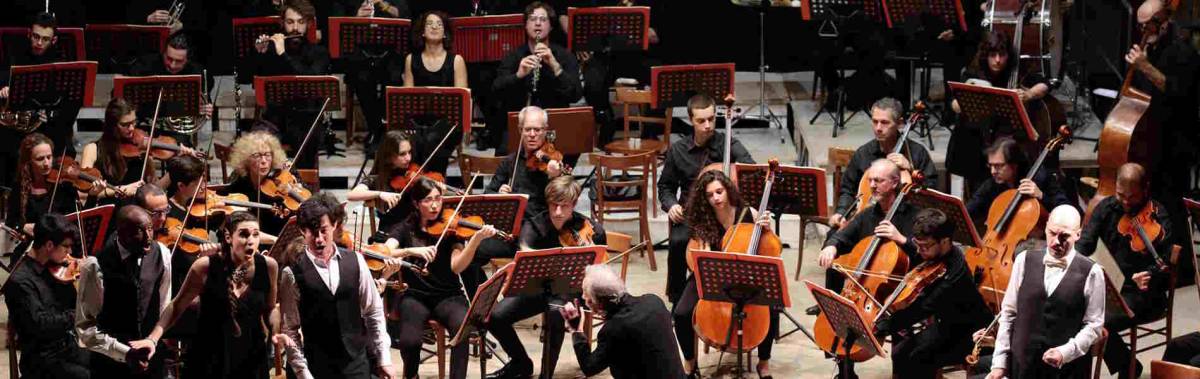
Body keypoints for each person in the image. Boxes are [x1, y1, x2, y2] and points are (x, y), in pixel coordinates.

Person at [129, 211, 279, 379]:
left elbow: (270, 309)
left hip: (251, 355)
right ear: (229, 237)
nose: (251, 241)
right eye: (243, 235)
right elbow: (176, 306)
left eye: (256, 235)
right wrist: (152, 339)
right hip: (210, 356)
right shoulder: (205, 267)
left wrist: (276, 331)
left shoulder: (269, 266)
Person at [486, 175, 606, 379]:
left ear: (574, 204)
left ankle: (547, 375)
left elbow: (598, 269)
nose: (558, 212)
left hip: (570, 290)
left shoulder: (591, 229)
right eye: (553, 205)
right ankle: (521, 363)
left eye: (564, 206)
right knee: (495, 316)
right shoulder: (533, 227)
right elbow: (524, 254)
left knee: (555, 312)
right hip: (536, 289)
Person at [385, 177, 496, 379]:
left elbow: (457, 267)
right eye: (428, 200)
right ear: (416, 204)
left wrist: (476, 240)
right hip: (415, 296)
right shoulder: (403, 228)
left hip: (448, 295)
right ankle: (411, 376)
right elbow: (385, 251)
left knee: (461, 332)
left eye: (438, 198)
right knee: (410, 341)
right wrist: (412, 250)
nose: (435, 204)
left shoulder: (452, 229)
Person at [276, 198, 395, 379]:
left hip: (355, 363)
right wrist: (303, 374)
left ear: (334, 225)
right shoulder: (291, 273)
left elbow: (373, 312)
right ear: (302, 231)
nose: (319, 240)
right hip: (315, 366)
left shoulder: (356, 261)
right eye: (312, 233)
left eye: (324, 231)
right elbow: (290, 329)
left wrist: (383, 358)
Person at [672, 169, 774, 379]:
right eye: (710, 195)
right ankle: (690, 364)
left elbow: (768, 246)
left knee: (772, 309)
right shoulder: (703, 218)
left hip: (746, 275)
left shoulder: (748, 213)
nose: (716, 198)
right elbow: (701, 254)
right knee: (681, 313)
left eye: (719, 191)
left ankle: (763, 364)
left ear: (728, 190)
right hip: (711, 275)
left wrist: (766, 228)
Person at [985, 205, 1106, 379]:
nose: (1056, 241)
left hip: (1066, 370)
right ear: (1046, 226)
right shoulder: (1023, 260)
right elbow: (1009, 314)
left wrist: (1065, 352)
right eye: (1052, 233)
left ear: (1078, 234)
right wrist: (1000, 364)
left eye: (1064, 236)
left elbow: (1094, 326)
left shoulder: (1093, 272)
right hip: (1022, 365)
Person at [657, 93, 754, 305]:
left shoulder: (728, 144)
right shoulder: (679, 150)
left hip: (722, 213)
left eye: (712, 119)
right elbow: (665, 186)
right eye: (701, 121)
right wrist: (671, 204)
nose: (708, 125)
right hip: (691, 214)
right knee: (678, 242)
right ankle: (677, 299)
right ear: (691, 120)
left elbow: (751, 171)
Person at [1126, 0, 1200, 277]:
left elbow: (1177, 92)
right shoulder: (1150, 49)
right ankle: (1152, 263)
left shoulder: (1183, 52)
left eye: (1149, 25)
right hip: (1150, 140)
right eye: (1140, 26)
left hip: (1177, 143)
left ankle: (1180, 273)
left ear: (1164, 21)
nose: (1144, 32)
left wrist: (1143, 67)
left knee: (1171, 207)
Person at [1076, 163, 1171, 378]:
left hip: (1143, 295)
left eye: (1132, 196)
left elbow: (1166, 263)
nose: (1126, 202)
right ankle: (1127, 364)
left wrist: (1149, 274)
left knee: (1095, 320)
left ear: (1145, 189)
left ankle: (1127, 368)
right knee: (1073, 310)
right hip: (1107, 287)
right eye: (1121, 195)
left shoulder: (1159, 216)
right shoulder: (1106, 208)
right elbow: (1085, 243)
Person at [873, 209, 991, 378]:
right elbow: (919, 251)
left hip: (969, 332)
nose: (919, 251)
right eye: (917, 244)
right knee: (899, 353)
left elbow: (923, 307)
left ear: (945, 241)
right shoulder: (936, 252)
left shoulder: (955, 275)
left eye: (925, 246)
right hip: (947, 323)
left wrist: (883, 326)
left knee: (919, 357)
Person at [948, 30, 1054, 190]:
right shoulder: (973, 71)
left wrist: (1029, 94)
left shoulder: (1017, 68)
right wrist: (967, 99)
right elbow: (954, 104)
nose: (997, 60)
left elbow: (1045, 84)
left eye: (1002, 55)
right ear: (985, 55)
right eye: (992, 55)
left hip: (1005, 134)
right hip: (977, 134)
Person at [76, 205, 171, 378]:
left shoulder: (163, 254)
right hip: (110, 364)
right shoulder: (95, 265)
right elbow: (86, 328)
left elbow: (164, 306)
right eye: (139, 232)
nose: (148, 238)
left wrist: (154, 340)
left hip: (152, 358)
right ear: (120, 233)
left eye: (150, 229)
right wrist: (125, 353)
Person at [557, 264, 686, 379]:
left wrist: (577, 331)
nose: (584, 298)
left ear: (599, 303)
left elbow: (589, 367)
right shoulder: (654, 301)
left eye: (586, 296)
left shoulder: (613, 330)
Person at [245, 0, 332, 169]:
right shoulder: (272, 50)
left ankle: (305, 187)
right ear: (282, 23)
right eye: (290, 22)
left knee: (308, 140)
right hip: (276, 117)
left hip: (306, 117)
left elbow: (309, 79)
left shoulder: (319, 52)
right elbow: (254, 81)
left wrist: (283, 54)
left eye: (300, 22)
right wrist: (260, 55)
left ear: (308, 24)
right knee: (257, 140)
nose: (295, 28)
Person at [829, 97, 936, 230]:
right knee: (833, 237)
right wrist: (841, 212)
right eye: (875, 122)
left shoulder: (917, 153)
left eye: (885, 123)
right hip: (866, 218)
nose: (878, 128)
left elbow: (932, 192)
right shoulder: (863, 153)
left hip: (903, 222)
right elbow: (847, 190)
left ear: (900, 123)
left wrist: (911, 169)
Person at [488, 1, 582, 154]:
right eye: (532, 19)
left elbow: (575, 94)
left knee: (571, 149)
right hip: (522, 126)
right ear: (525, 26)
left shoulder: (564, 56)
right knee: (504, 153)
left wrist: (555, 66)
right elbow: (496, 90)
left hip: (554, 125)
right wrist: (519, 75)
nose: (538, 23)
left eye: (543, 19)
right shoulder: (514, 56)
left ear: (551, 26)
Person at [3, 214, 89, 379]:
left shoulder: (55, 268)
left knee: (108, 363)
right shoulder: (20, 281)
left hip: (66, 347)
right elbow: (40, 325)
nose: (70, 252)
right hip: (42, 360)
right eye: (66, 247)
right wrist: (78, 313)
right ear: (49, 245)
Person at [0, 12, 81, 176]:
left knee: (58, 141)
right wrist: (3, 87)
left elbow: (72, 105)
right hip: (19, 130)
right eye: (35, 36)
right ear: (29, 34)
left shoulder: (61, 64)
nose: (39, 43)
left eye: (45, 39)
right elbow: (3, 75)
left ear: (54, 40)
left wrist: (51, 115)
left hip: (50, 127)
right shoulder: (16, 54)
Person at [336, 0, 410, 151]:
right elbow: (337, 25)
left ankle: (380, 130)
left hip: (390, 53)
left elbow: (406, 16)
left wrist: (385, 6)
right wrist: (356, 18)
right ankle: (376, 128)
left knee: (394, 78)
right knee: (360, 78)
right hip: (360, 54)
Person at [401, 10, 468, 173]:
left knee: (432, 139)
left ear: (445, 33)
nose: (434, 27)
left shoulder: (456, 61)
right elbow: (405, 98)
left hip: (448, 124)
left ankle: (432, 183)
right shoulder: (411, 59)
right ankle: (416, 185)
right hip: (419, 122)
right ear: (422, 32)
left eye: (439, 24)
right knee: (414, 140)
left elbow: (463, 101)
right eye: (429, 23)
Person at [965, 138, 1071, 231]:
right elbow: (970, 209)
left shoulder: (1040, 178)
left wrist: (1041, 196)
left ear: (1014, 164)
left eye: (998, 166)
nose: (993, 171)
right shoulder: (992, 184)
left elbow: (1067, 210)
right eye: (990, 166)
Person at [128, 32, 215, 144]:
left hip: (176, 133)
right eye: (169, 58)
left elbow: (203, 105)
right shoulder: (144, 65)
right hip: (143, 125)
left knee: (183, 158)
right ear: (163, 53)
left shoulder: (198, 73)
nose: (172, 65)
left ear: (188, 59)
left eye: (179, 61)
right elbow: (121, 98)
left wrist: (205, 110)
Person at [486, 105, 567, 218]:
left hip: (543, 220)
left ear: (545, 130)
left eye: (537, 130)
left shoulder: (552, 161)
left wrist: (555, 178)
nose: (532, 135)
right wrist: (499, 195)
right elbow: (488, 193)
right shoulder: (509, 161)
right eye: (528, 129)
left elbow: (566, 198)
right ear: (520, 130)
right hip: (515, 218)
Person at [6, 133, 76, 240]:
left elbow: (77, 220)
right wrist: (22, 227)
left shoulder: (64, 185)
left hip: (60, 245)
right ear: (28, 161)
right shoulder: (19, 187)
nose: (47, 163)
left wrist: (92, 196)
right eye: (40, 159)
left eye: (49, 157)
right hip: (32, 246)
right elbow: (11, 221)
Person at [347, 131, 419, 233]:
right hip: (390, 233)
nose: (408, 158)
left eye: (409, 152)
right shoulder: (378, 178)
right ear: (389, 156)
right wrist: (380, 194)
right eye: (402, 154)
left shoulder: (411, 172)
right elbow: (352, 195)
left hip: (414, 230)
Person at [223, 131, 291, 236]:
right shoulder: (238, 187)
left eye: (268, 155)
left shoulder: (278, 188)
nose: (263, 161)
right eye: (257, 155)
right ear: (246, 160)